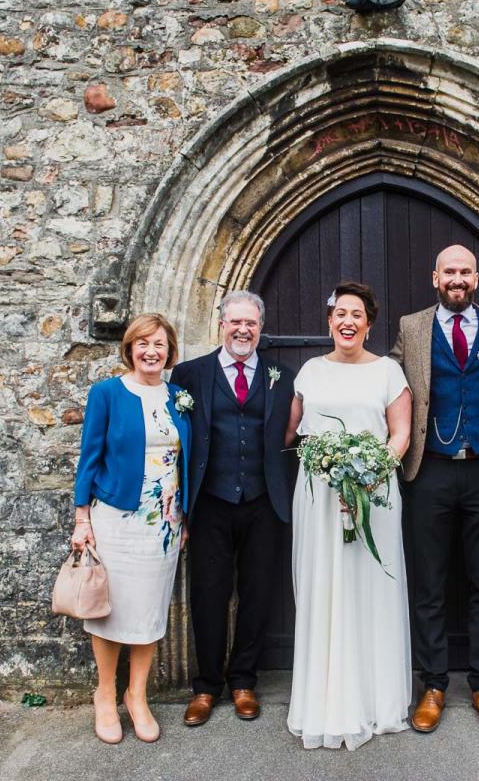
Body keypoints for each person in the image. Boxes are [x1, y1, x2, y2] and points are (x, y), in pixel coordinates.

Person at [389, 244, 479, 735]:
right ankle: (434, 685)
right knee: (430, 584)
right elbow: (389, 385)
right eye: (449, 272)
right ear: (434, 277)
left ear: (476, 279)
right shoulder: (412, 327)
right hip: (430, 471)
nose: (457, 279)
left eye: (465, 272)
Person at [284, 281, 413, 751]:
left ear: (369, 324)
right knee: (324, 585)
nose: (348, 321)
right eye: (340, 313)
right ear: (329, 320)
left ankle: (375, 698)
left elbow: (400, 435)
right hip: (319, 496)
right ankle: (325, 699)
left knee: (369, 586)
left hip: (373, 494)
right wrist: (323, 464)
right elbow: (291, 432)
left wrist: (370, 475)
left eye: (357, 314)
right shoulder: (310, 371)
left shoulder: (389, 373)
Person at [169, 291, 296, 726]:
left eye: (251, 323)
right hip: (210, 502)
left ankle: (244, 681)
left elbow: (291, 433)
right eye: (236, 322)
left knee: (258, 593)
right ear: (221, 325)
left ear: (261, 328)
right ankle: (206, 687)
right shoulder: (189, 374)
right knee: (208, 593)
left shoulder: (283, 376)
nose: (243, 330)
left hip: (264, 501)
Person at [71, 313, 193, 745]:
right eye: (143, 343)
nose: (151, 351)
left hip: (165, 523)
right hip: (115, 518)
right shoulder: (107, 393)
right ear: (130, 348)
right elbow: (89, 457)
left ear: (170, 350)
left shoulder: (178, 396)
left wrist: (186, 517)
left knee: (149, 610)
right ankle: (105, 695)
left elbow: (186, 460)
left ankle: (136, 696)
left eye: (159, 344)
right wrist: (81, 519)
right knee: (109, 609)